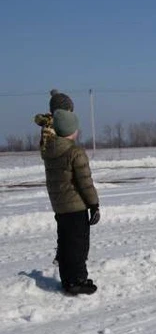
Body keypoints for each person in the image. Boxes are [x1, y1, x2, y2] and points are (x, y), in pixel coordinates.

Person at [41, 109, 100, 295]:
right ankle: (77, 280)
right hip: (76, 206)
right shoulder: (75, 152)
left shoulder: (49, 151)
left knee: (65, 242)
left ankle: (68, 279)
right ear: (72, 130)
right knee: (78, 244)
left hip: (60, 206)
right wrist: (94, 204)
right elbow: (85, 182)